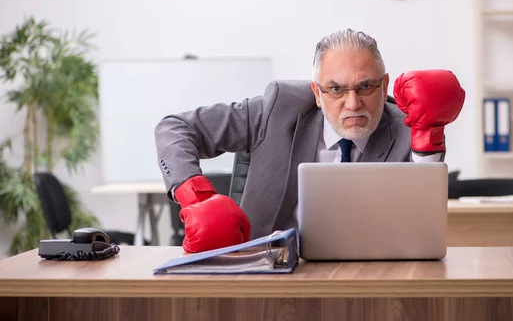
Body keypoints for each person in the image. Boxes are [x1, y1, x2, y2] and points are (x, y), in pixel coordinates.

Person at [154, 29, 465, 253]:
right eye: (336, 89)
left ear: (385, 87)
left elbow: (420, 225)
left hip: (371, 279)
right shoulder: (277, 109)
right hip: (267, 275)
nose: (353, 103)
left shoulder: (410, 126)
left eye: (366, 87)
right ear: (316, 93)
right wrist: (195, 197)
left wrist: (428, 142)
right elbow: (175, 128)